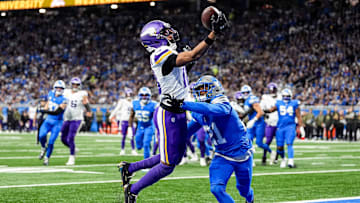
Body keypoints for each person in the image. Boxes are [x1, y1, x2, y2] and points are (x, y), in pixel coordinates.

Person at [119, 12, 229, 203]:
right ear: (155, 38)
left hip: (177, 110)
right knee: (168, 164)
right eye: (165, 32)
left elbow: (181, 73)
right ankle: (133, 190)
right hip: (168, 113)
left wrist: (190, 60)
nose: (170, 34)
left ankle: (129, 169)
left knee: (173, 156)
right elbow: (192, 55)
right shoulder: (159, 53)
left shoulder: (167, 54)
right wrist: (213, 34)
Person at [183, 75, 254, 203]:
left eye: (204, 89)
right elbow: (186, 132)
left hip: (242, 153)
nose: (201, 93)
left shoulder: (223, 104)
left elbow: (213, 110)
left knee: (243, 190)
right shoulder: (199, 112)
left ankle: (250, 199)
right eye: (199, 90)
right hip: (222, 155)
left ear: (215, 89)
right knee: (216, 189)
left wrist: (185, 104)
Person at [266, 89, 305, 168]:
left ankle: (291, 161)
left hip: (290, 126)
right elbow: (271, 110)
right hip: (280, 127)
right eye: (284, 96)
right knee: (279, 146)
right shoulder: (279, 103)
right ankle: (283, 159)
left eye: (287, 96)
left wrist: (301, 127)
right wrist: (263, 110)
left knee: (289, 143)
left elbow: (298, 116)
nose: (286, 98)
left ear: (290, 96)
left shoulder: (294, 103)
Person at [61, 77, 91, 165]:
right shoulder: (65, 92)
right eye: (74, 84)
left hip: (77, 118)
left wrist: (89, 111)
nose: (75, 86)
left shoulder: (82, 93)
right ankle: (73, 149)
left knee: (71, 137)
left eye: (77, 84)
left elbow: (85, 102)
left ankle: (72, 157)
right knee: (63, 138)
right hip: (67, 118)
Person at [38, 80, 67, 165]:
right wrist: (45, 108)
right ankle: (43, 147)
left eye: (61, 88)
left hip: (57, 123)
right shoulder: (50, 94)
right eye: (57, 87)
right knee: (41, 135)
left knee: (51, 141)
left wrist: (44, 111)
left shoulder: (64, 100)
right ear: (54, 88)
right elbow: (48, 103)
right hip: (48, 120)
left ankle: (47, 158)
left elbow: (57, 112)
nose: (59, 89)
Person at [241, 85, 270, 166]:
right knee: (248, 141)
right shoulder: (246, 100)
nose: (246, 94)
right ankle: (251, 160)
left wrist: (253, 120)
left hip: (259, 123)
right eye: (244, 92)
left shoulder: (252, 99)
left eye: (247, 92)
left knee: (259, 143)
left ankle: (271, 152)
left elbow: (260, 112)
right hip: (251, 123)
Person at [128, 87, 157, 159]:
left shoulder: (153, 105)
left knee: (146, 144)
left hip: (149, 126)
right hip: (140, 127)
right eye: (142, 95)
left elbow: (157, 118)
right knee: (138, 146)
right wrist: (129, 128)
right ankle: (147, 145)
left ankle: (146, 163)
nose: (144, 97)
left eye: (146, 95)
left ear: (149, 96)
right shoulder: (135, 103)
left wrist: (157, 130)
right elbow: (131, 116)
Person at [110, 89, 136, 155]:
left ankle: (133, 150)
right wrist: (111, 116)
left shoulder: (134, 102)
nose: (129, 96)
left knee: (132, 136)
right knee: (123, 136)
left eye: (130, 95)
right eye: (128, 95)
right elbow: (117, 109)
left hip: (131, 121)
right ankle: (122, 149)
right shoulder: (122, 101)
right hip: (124, 120)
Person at [260, 82, 279, 165]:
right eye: (271, 90)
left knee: (280, 142)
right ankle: (264, 156)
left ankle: (276, 158)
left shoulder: (281, 97)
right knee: (268, 141)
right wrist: (265, 115)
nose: (272, 92)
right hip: (270, 122)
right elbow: (261, 108)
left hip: (279, 122)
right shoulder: (265, 97)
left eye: (273, 90)